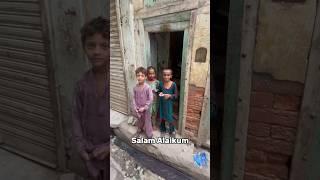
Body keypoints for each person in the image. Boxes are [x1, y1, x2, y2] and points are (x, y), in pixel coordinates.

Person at [72, 16, 109, 180]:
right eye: (91, 45)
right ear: (84, 48)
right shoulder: (82, 85)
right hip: (90, 155)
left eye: (104, 46)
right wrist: (80, 146)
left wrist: (110, 147)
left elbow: (131, 122)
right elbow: (76, 118)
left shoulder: (118, 85)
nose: (96, 51)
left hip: (114, 156)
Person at [132, 67, 153, 138]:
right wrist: (135, 107)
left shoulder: (147, 88)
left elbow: (150, 99)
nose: (140, 77)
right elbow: (134, 98)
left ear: (145, 77)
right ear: (136, 76)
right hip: (138, 109)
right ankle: (139, 130)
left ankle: (149, 135)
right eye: (138, 75)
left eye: (142, 76)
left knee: (147, 122)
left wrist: (144, 107)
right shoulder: (135, 88)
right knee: (139, 120)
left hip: (145, 109)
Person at [158, 68, 178, 136]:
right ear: (162, 75)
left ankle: (171, 130)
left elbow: (176, 96)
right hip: (162, 103)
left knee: (169, 117)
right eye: (164, 75)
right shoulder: (160, 84)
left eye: (168, 75)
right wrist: (160, 94)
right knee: (162, 116)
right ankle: (163, 129)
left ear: (171, 76)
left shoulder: (173, 84)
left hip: (169, 105)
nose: (166, 77)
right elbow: (159, 91)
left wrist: (170, 96)